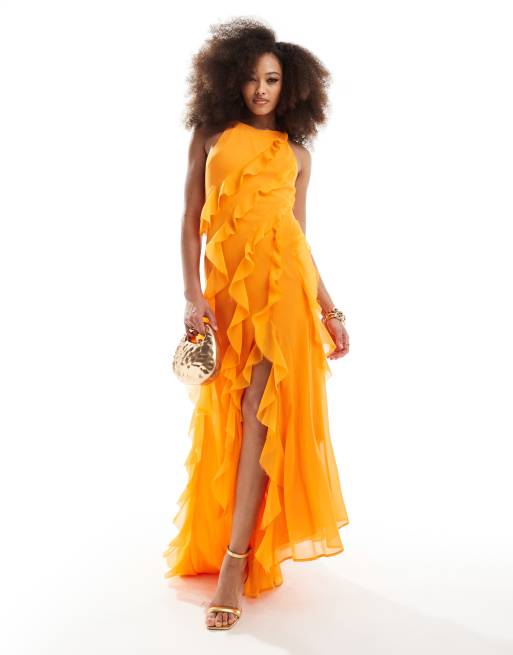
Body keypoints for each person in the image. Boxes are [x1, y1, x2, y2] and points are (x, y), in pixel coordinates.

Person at [163, 17, 351, 631]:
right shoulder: (211, 136)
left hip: (285, 298)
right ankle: (231, 544)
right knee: (230, 416)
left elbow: (297, 238)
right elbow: (190, 217)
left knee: (257, 412)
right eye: (251, 78)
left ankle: (234, 564)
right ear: (230, 81)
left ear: (290, 85)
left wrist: (328, 308)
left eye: (272, 79)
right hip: (226, 298)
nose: (262, 90)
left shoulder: (297, 155)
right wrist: (191, 294)